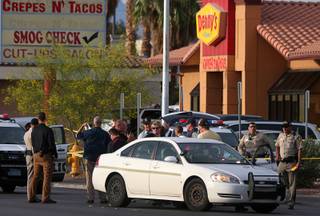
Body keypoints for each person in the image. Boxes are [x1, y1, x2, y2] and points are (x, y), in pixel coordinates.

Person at [77, 116, 111, 204]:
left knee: (89, 178)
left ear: (94, 123)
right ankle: (103, 198)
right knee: (101, 178)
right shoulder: (105, 134)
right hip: (100, 159)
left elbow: (78, 135)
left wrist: (82, 126)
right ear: (101, 123)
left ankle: (90, 198)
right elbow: (109, 144)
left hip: (89, 157)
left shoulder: (88, 132)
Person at [30, 112, 57, 204]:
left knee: (35, 176)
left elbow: (33, 144)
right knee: (47, 177)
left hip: (36, 155)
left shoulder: (34, 130)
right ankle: (45, 197)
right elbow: (51, 144)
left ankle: (31, 196)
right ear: (45, 119)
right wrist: (54, 154)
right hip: (45, 156)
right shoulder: (48, 130)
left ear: (38, 119)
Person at [276, 121, 302, 210]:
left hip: (291, 162)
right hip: (282, 163)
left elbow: (299, 150)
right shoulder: (280, 135)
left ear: (290, 127)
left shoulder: (296, 136)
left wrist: (298, 162)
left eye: (286, 127)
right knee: (281, 180)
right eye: (283, 127)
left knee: (292, 183)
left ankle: (291, 202)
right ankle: (285, 196)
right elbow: (277, 145)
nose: (284, 128)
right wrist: (277, 156)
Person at [24, 118, 39, 202]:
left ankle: (30, 195)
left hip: (27, 155)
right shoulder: (33, 133)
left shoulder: (26, 133)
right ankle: (31, 196)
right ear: (36, 125)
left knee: (30, 175)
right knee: (32, 176)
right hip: (33, 155)